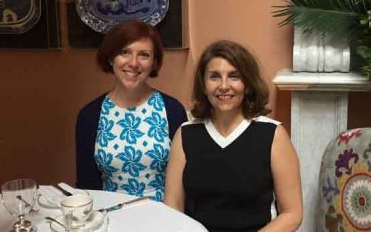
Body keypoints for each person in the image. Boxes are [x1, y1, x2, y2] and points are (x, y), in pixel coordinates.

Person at [164, 40, 302, 231]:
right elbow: (173, 209)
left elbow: (292, 213)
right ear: (203, 85)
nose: (224, 86)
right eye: (214, 77)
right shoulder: (185, 135)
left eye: (234, 76)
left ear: (247, 84)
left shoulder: (273, 135)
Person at [76, 20, 187, 201]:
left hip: (163, 217)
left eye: (143, 55)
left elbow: (184, 182)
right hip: (111, 218)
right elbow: (87, 186)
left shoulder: (172, 110)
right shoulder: (89, 116)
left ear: (154, 62)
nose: (133, 63)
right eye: (124, 52)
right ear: (111, 58)